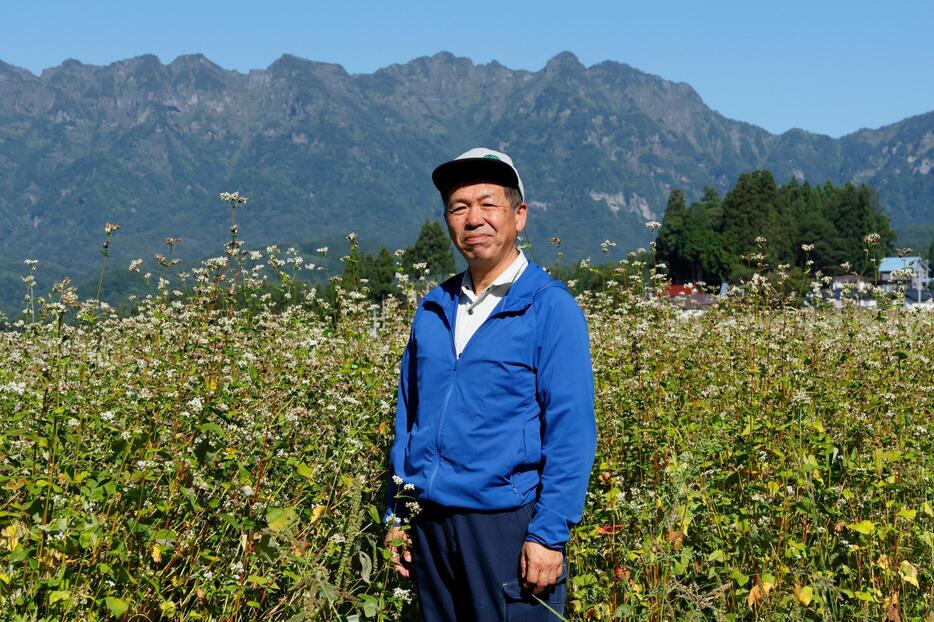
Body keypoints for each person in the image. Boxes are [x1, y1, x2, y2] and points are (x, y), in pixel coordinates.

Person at [384, 147, 596, 621]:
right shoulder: (432, 309)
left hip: (507, 525)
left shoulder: (549, 307)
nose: (473, 218)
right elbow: (408, 416)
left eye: (488, 204)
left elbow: (572, 431)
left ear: (519, 216)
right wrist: (398, 513)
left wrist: (548, 535)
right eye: (459, 208)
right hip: (430, 525)